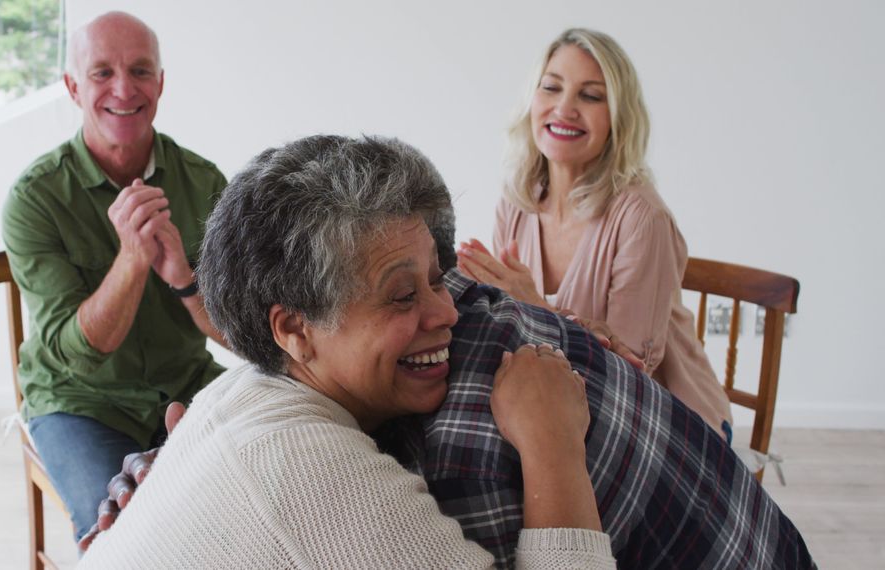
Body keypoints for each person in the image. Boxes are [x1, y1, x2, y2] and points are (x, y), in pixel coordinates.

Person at [80, 135, 617, 568]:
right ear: (294, 329)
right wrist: (553, 444)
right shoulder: (319, 480)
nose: (446, 313)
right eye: (403, 296)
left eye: (438, 280)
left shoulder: (238, 390)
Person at [0, 11, 227, 543]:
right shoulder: (35, 198)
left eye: (141, 71)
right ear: (73, 87)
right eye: (102, 73)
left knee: (275, 479)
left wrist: (186, 280)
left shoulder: (205, 182)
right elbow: (80, 355)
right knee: (120, 536)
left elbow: (244, 335)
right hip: (80, 403)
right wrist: (132, 256)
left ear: (161, 83)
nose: (124, 89)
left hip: (187, 385)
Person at [457, 28, 734, 439]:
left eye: (590, 96)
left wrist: (533, 304)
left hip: (669, 421)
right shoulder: (516, 203)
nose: (564, 108)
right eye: (551, 88)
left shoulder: (642, 217)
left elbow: (628, 374)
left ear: (618, 118)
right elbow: (511, 332)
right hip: (569, 407)